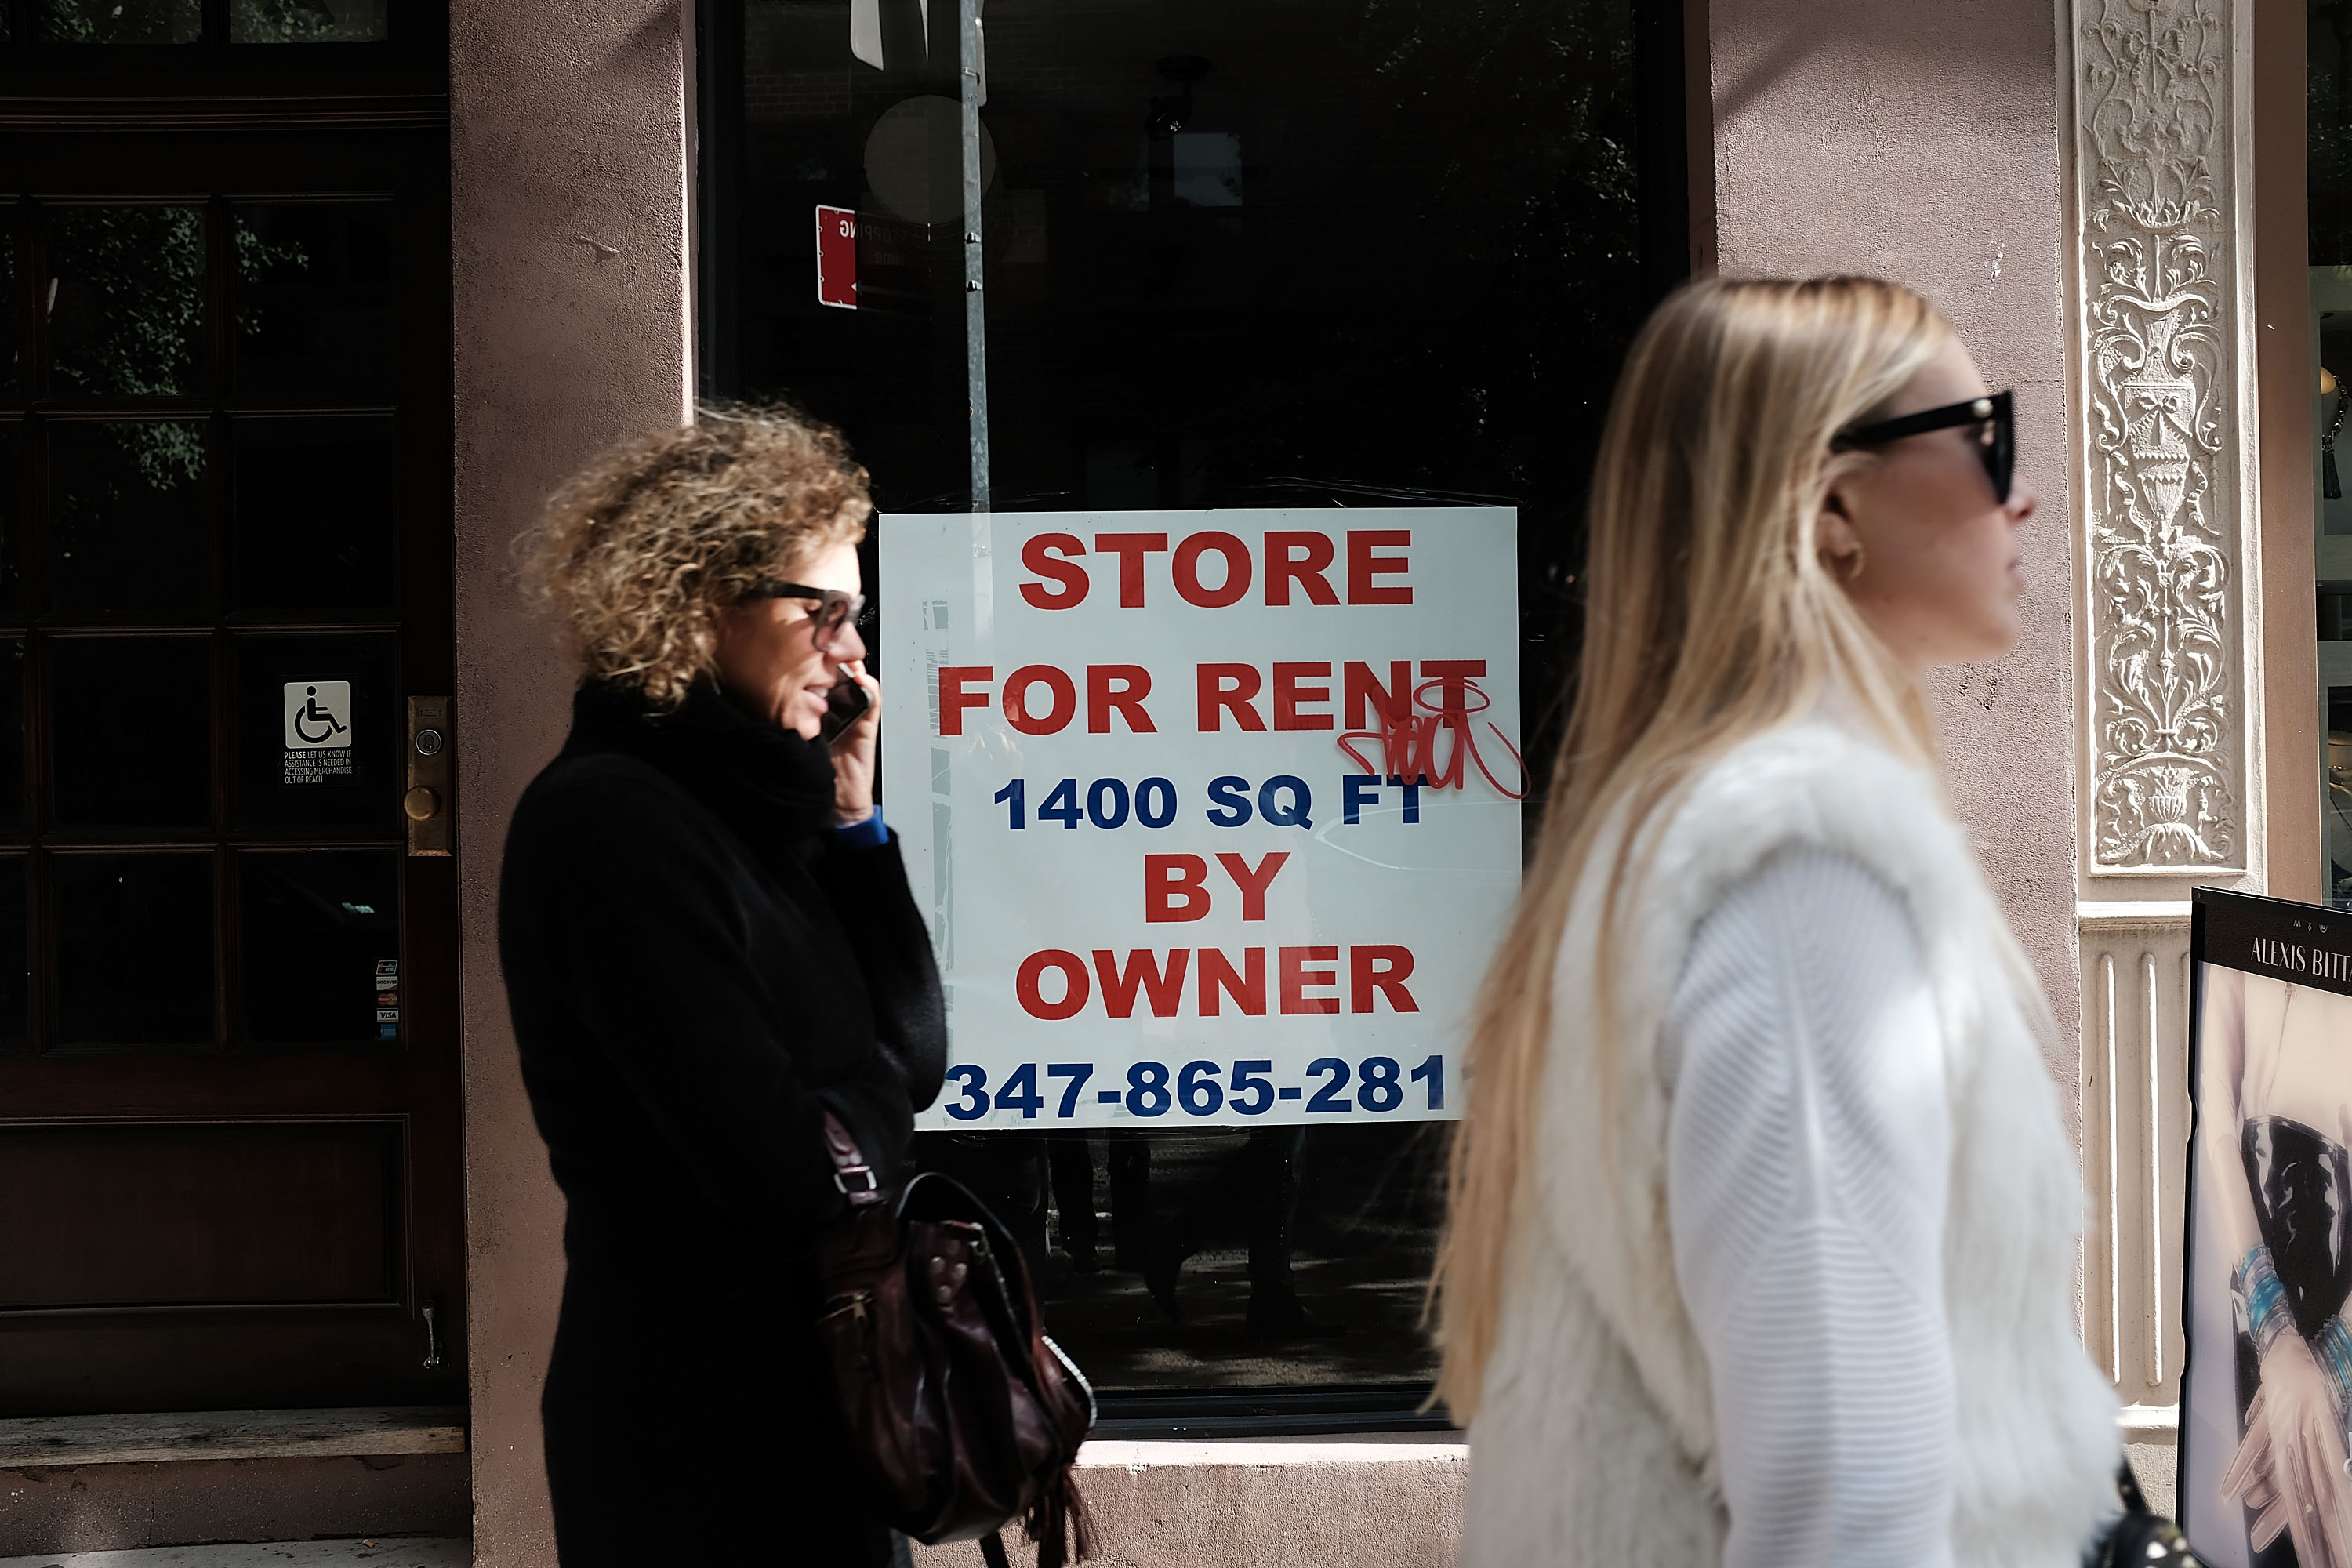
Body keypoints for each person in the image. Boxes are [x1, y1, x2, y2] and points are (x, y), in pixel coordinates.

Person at [1433, 278, 2123, 1566]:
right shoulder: (1802, 867)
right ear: (1833, 504)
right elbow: (1848, 1507)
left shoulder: (1681, 834)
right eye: (1988, 438)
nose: (2019, 494)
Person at [499, 406, 946, 1568]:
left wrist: (856, 820)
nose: (854, 655)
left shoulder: (762, 810)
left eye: (860, 614)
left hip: (824, 1408)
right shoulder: (612, 823)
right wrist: (865, 1110)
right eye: (824, 612)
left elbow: (917, 1060)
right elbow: (788, 1169)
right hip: (693, 1442)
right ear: (700, 600)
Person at [2198, 965, 2352, 1568]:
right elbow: (2214, 1117)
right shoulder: (2241, 936)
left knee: (2320, 1521)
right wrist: (2271, 1324)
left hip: (2338, 1285)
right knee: (2276, 1517)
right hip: (2255, 1284)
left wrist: (2336, 1358)